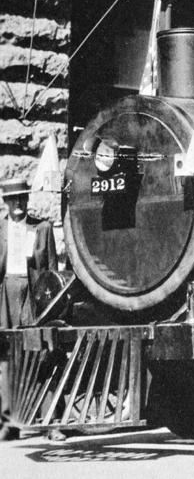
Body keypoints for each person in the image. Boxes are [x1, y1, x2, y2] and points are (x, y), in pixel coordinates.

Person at [1, 178, 57, 440]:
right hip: (6, 293)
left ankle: (50, 423)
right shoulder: (1, 229)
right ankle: (10, 424)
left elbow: (52, 271)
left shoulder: (42, 228)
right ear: (6, 203)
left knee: (39, 354)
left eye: (22, 198)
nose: (19, 203)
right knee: (7, 359)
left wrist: (50, 303)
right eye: (13, 199)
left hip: (33, 295)